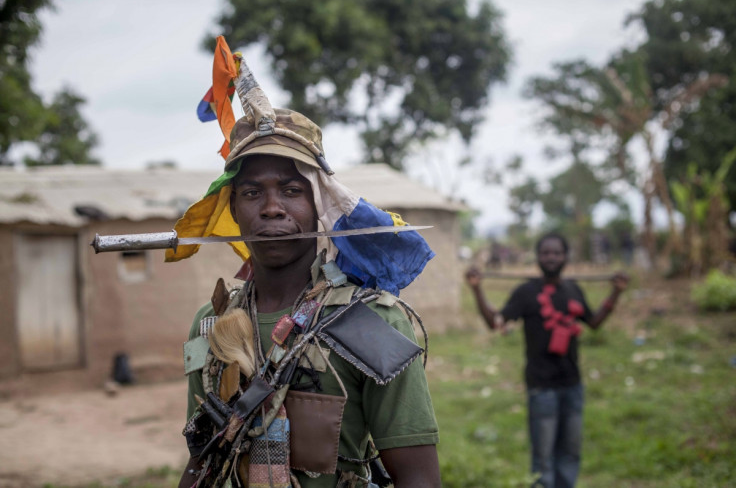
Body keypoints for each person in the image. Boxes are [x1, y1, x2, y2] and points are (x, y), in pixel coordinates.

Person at [173, 38, 440, 488]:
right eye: (252, 192)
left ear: (320, 203)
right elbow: (202, 460)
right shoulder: (211, 326)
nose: (273, 207)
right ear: (232, 210)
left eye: (293, 190)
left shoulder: (369, 321)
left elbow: (419, 479)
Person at [465, 233, 628, 488]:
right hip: (541, 387)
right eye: (546, 253)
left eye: (556, 253)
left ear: (565, 257)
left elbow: (594, 323)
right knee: (543, 459)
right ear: (538, 257)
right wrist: (477, 289)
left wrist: (616, 293)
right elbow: (495, 322)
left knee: (570, 454)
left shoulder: (573, 289)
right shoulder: (526, 292)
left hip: (573, 384)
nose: (551, 258)